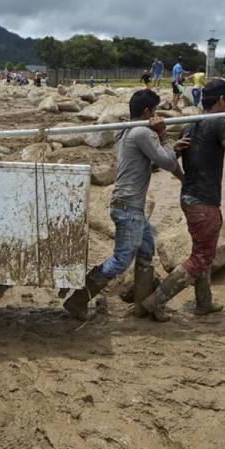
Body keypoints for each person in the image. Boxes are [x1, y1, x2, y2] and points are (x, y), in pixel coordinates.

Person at [63, 89, 180, 320]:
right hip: (129, 206)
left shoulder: (127, 130)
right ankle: (77, 300)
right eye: (155, 111)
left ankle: (141, 305)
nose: (157, 115)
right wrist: (164, 136)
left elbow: (148, 163)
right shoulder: (142, 133)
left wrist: (171, 149)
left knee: (147, 250)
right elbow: (167, 163)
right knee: (120, 261)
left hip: (128, 204)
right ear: (147, 112)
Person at [141, 79, 225, 320]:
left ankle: (204, 302)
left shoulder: (189, 125)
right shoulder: (218, 125)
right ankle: (156, 300)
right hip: (204, 201)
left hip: (190, 196)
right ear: (221, 100)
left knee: (203, 251)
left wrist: (184, 179)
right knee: (201, 258)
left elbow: (171, 162)